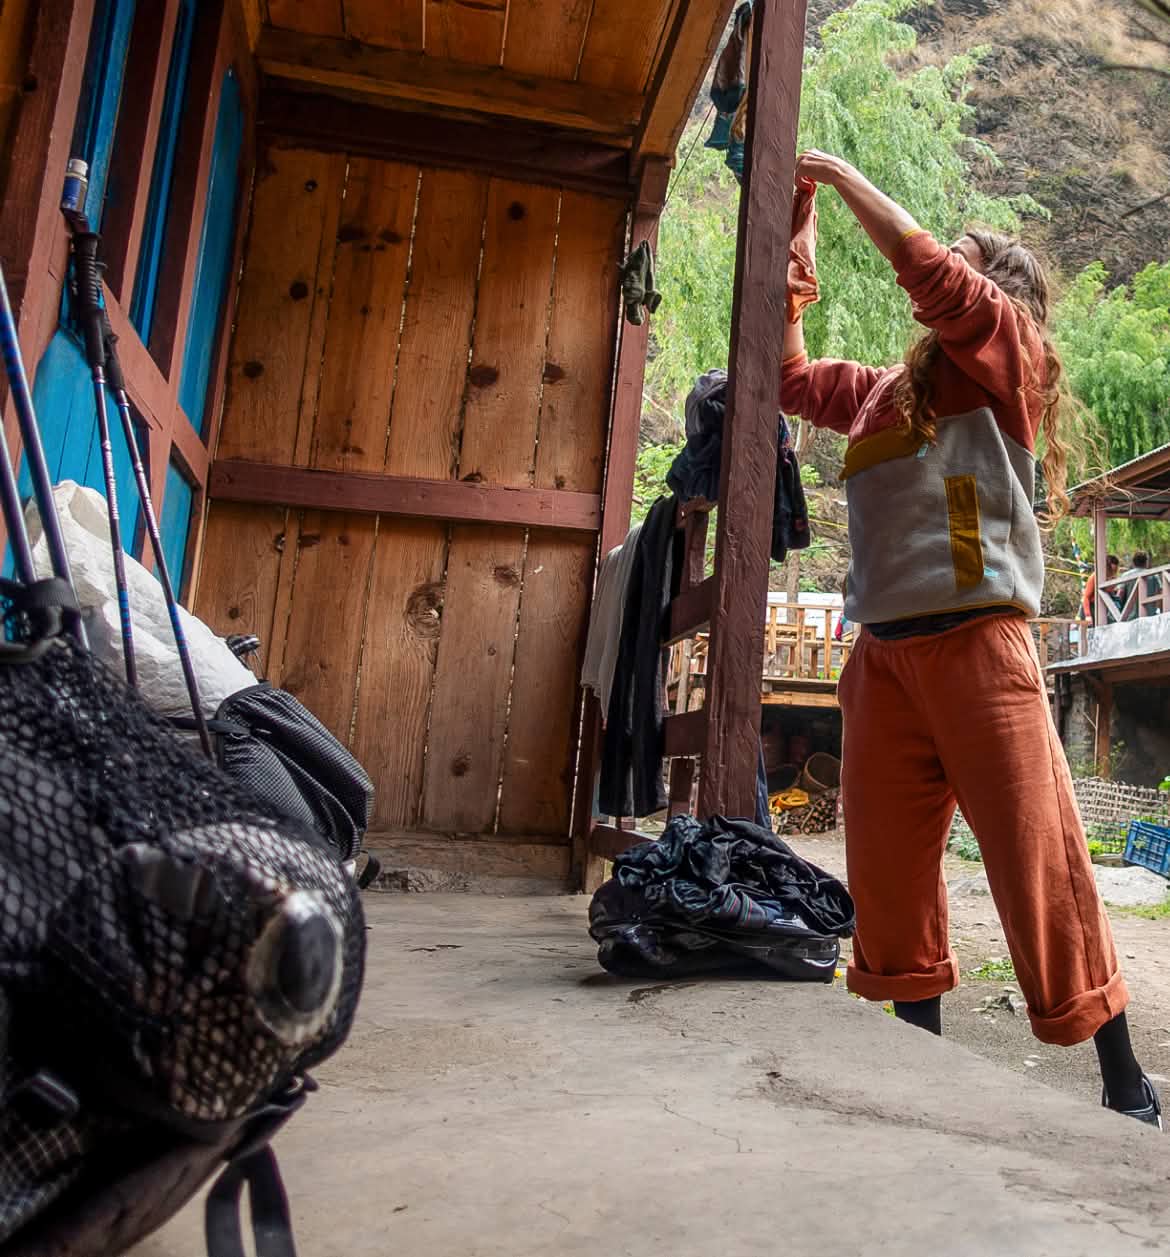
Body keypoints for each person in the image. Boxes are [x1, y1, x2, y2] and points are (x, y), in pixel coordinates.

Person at [780, 149, 1160, 1128]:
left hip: (983, 652)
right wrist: (797, 227)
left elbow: (933, 279)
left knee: (1040, 865)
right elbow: (783, 372)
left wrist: (846, 174)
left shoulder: (1009, 355)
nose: (937, 268)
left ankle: (1125, 1079)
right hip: (884, 662)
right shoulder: (876, 394)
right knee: (891, 874)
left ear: (997, 292)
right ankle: (922, 1080)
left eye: (958, 260)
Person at [1081, 554, 1119, 622]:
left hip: (1104, 608)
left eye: (1115, 570)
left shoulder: (1113, 578)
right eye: (1111, 570)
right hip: (1091, 607)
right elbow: (1086, 597)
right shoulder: (1094, 577)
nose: (1113, 573)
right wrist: (1088, 615)